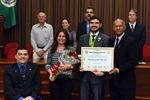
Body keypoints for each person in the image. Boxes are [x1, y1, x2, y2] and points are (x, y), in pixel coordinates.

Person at [76, 16, 109, 100]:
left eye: (96, 23)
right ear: (89, 24)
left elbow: (108, 59)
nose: (94, 25)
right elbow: (78, 56)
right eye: (92, 23)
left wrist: (104, 73)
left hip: (98, 77)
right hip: (84, 77)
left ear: (100, 25)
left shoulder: (106, 39)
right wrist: (79, 66)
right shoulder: (82, 38)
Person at [109, 19, 138, 100]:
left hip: (126, 83)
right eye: (116, 26)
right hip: (113, 82)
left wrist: (118, 69)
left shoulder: (131, 41)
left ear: (124, 27)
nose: (118, 28)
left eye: (120, 26)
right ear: (113, 28)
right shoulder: (110, 41)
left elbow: (134, 61)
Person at [45, 28, 76, 100]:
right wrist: (50, 73)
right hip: (54, 79)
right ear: (56, 37)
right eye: (59, 36)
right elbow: (48, 64)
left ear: (66, 38)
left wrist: (69, 66)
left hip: (67, 79)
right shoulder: (51, 50)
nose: (61, 38)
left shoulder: (71, 49)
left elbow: (75, 65)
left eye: (63, 36)